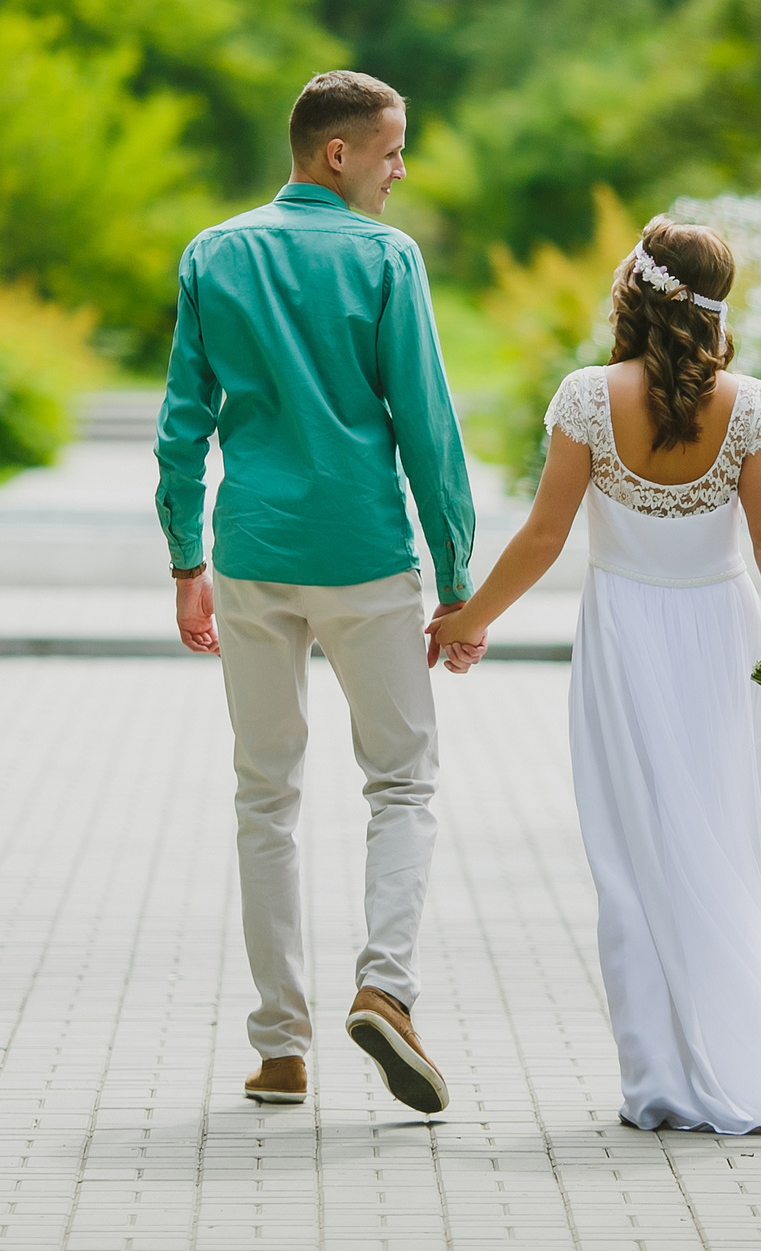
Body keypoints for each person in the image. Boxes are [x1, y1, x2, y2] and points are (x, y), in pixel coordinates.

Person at [426, 216, 761, 1140]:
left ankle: (660, 1082)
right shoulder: (751, 402)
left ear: (633, 295)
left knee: (630, 856)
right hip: (730, 640)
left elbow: (543, 536)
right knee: (726, 840)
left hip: (627, 639)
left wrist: (466, 621)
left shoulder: (583, 397)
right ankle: (733, 1050)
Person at [157, 69, 474, 1115]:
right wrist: (459, 576)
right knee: (402, 782)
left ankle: (281, 1047)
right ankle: (384, 988)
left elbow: (182, 424)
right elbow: (426, 426)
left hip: (251, 553)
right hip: (364, 557)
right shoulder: (385, 257)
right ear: (336, 153)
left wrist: (184, 561)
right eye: (390, 151)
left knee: (265, 795)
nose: (399, 170)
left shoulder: (215, 252)